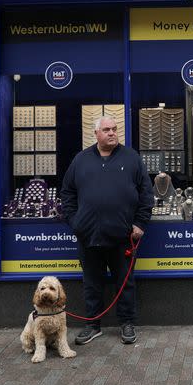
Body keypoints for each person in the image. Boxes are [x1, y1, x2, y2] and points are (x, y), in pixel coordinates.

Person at [61, 116, 153, 345]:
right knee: (92, 283)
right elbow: (67, 194)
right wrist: (76, 222)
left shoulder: (131, 158)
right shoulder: (81, 160)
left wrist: (140, 223)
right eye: (107, 130)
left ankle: (127, 324)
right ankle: (93, 325)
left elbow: (146, 194)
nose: (112, 133)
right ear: (96, 134)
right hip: (89, 236)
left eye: (114, 129)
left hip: (123, 236)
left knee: (125, 282)